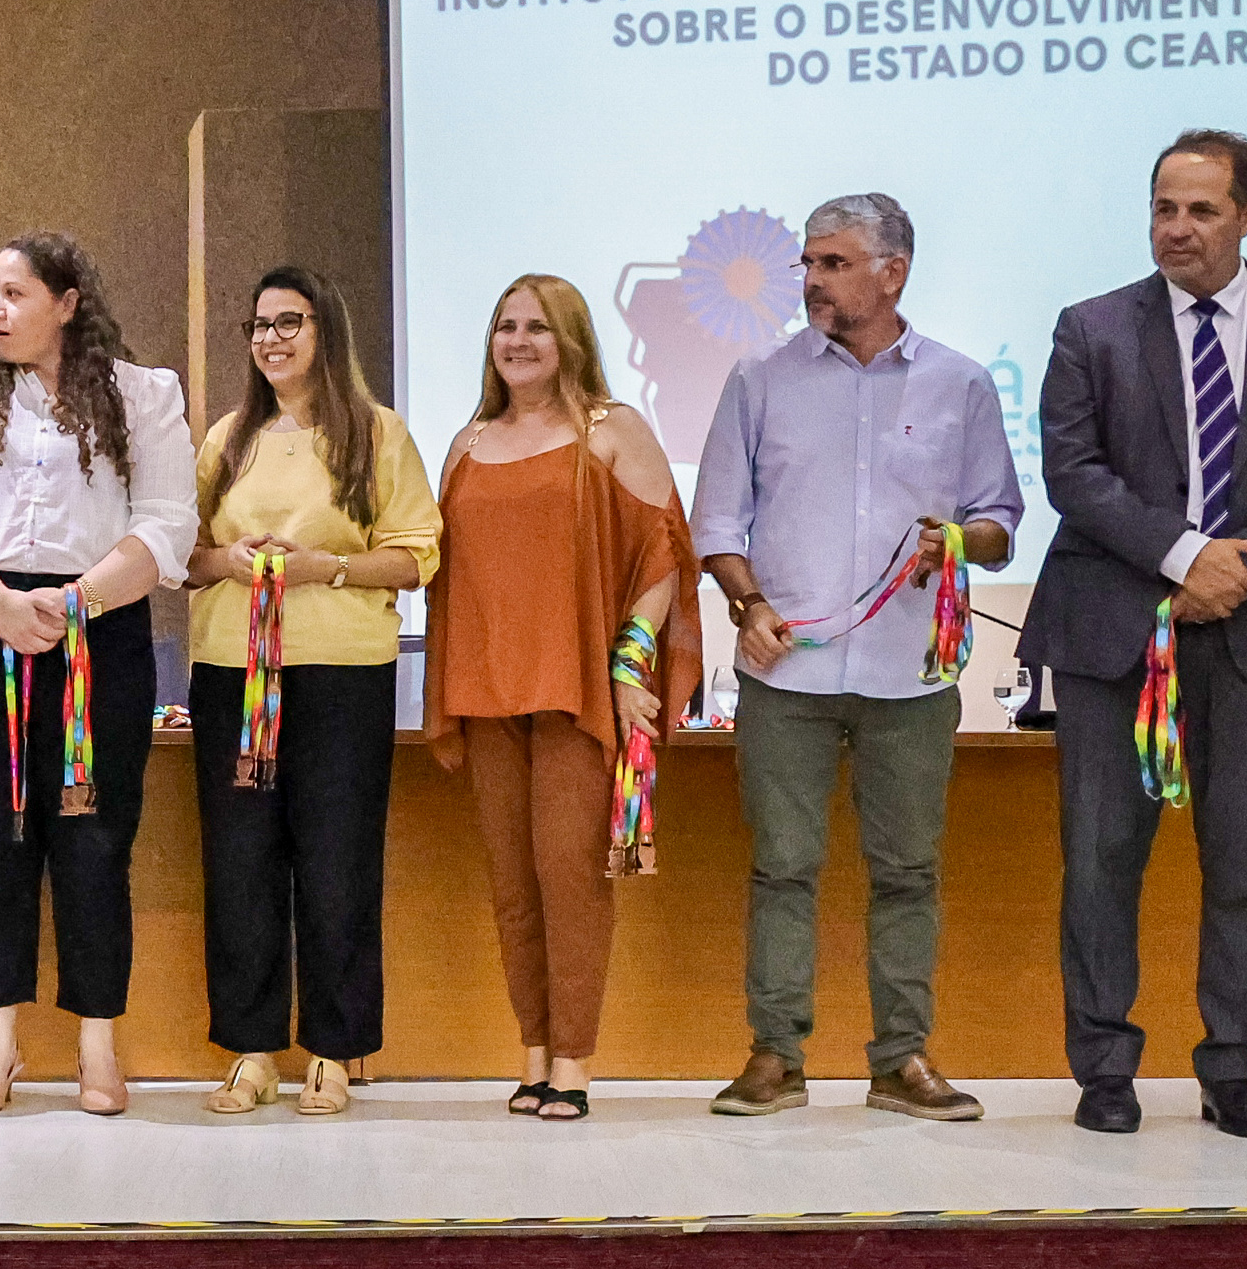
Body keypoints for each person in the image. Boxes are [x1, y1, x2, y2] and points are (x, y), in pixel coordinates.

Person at [1021, 130, 1247, 1140]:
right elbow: (1073, 473)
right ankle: (1103, 1070)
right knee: (1100, 860)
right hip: (1114, 632)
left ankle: (1232, 1068)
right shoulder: (1091, 327)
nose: (1178, 228)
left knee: (1246, 864)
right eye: (1164, 208)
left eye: (1202, 210)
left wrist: (1237, 568)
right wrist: (1183, 558)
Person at [690, 191, 1022, 1121]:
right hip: (784, 674)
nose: (811, 280)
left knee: (907, 871)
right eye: (807, 262)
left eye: (832, 263)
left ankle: (900, 1060)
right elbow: (715, 521)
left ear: (892, 272)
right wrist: (746, 604)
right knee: (781, 867)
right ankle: (774, 1056)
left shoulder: (959, 382)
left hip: (908, 671)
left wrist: (956, 540)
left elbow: (999, 523)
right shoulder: (759, 378)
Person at [0, 231, 195, 1117]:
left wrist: (77, 603)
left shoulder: (143, 395)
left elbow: (167, 525)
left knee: (93, 840)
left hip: (94, 629)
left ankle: (97, 1047)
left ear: (67, 304)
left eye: (16, 294)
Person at [419, 274, 699, 1121]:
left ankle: (573, 1061)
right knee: (512, 887)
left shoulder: (612, 430)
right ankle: (533, 1053)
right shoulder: (467, 442)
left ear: (570, 338)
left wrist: (630, 665)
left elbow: (661, 555)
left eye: (537, 327)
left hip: (577, 690)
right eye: (505, 326)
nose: (517, 341)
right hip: (485, 687)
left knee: (569, 879)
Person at [184, 267, 439, 1118]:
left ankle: (333, 1049)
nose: (270, 339)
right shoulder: (227, 438)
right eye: (258, 325)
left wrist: (324, 568)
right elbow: (184, 556)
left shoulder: (376, 433)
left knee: (337, 862)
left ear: (325, 330)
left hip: (341, 675)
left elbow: (414, 556)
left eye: (288, 322)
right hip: (232, 673)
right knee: (241, 863)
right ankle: (252, 1050)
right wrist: (227, 561)